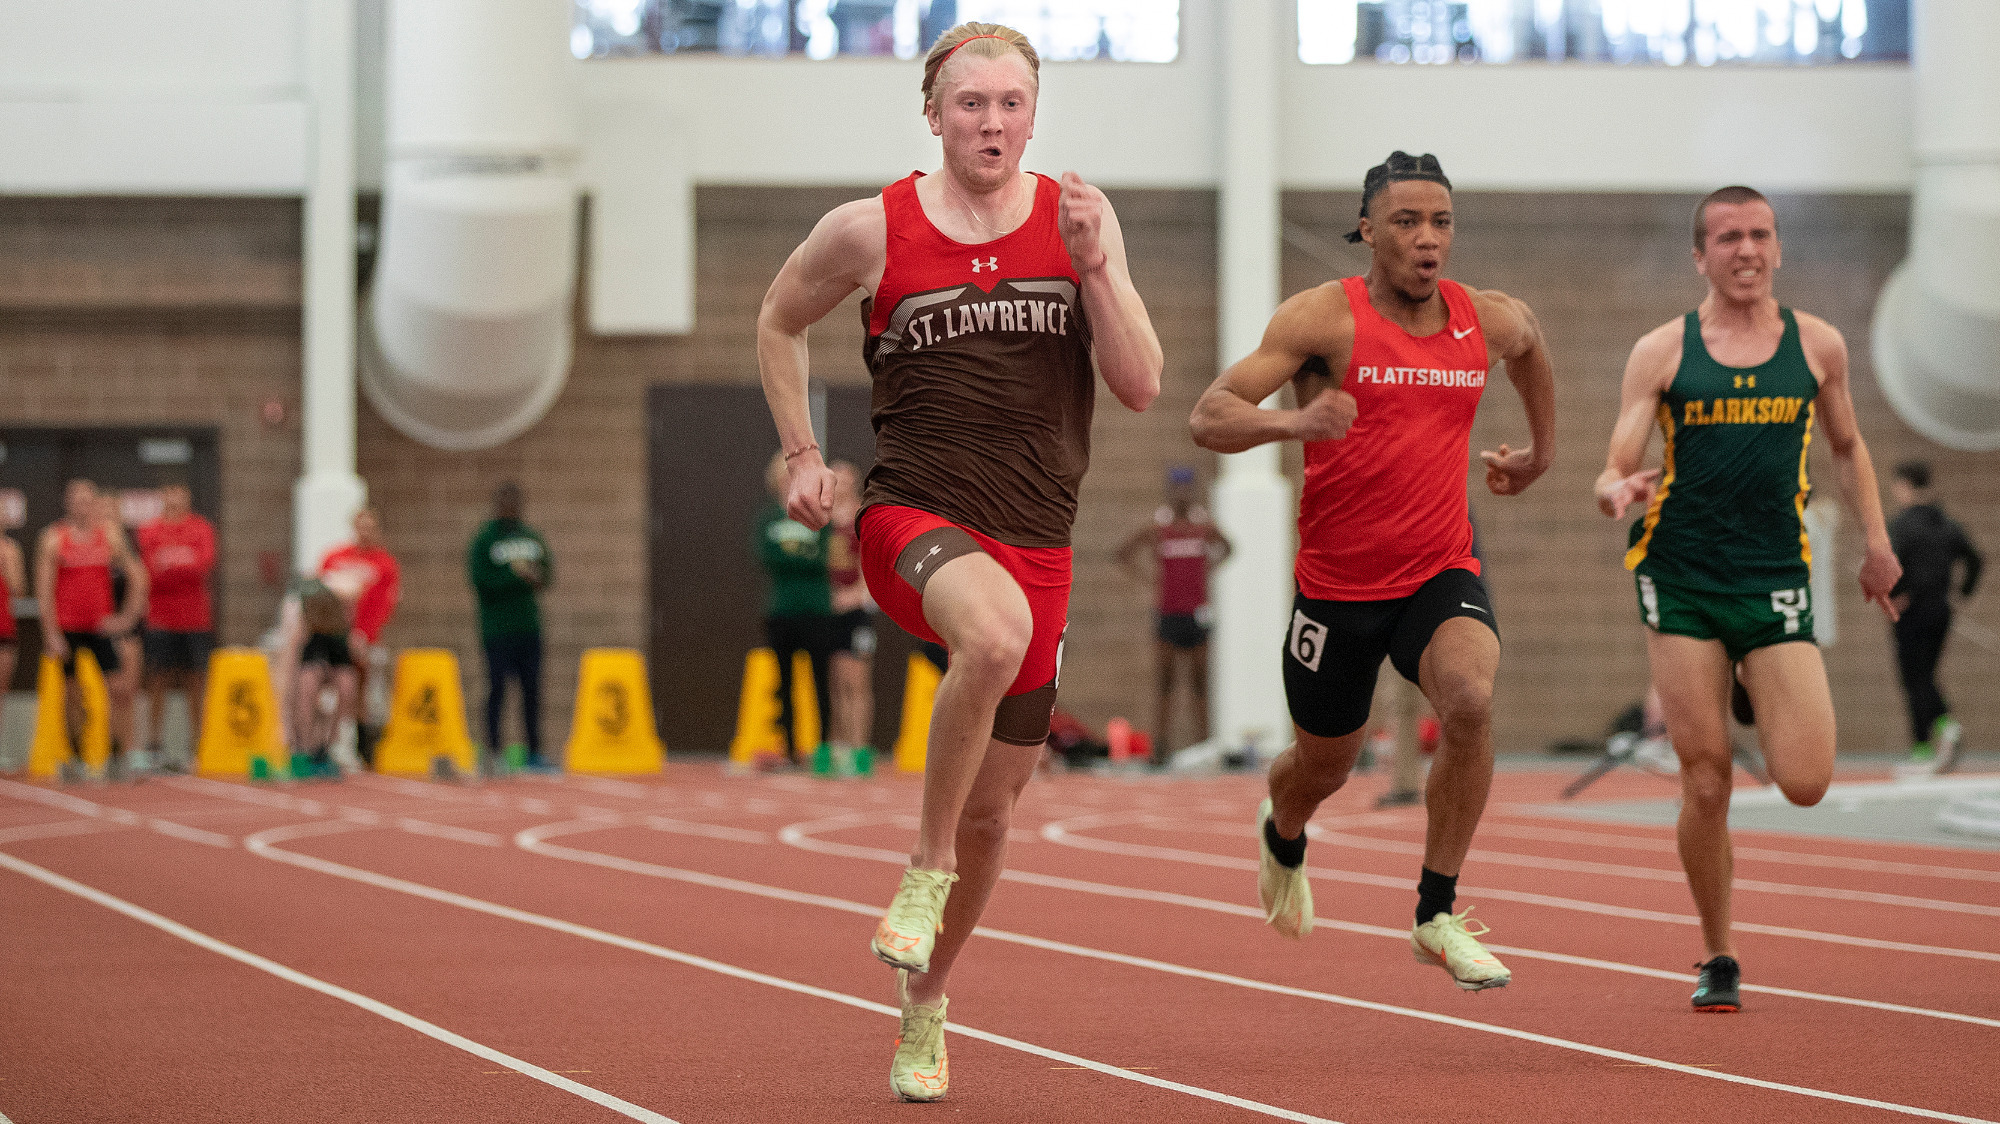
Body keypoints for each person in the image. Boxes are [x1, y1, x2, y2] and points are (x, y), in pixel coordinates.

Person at [756, 21, 1161, 1102]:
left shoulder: (1076, 218)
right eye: (970, 103)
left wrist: (1100, 268)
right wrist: (801, 449)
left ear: (1034, 114)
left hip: (1039, 538)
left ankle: (924, 1002)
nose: (991, 121)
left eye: (1010, 104)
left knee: (999, 809)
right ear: (932, 113)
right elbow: (776, 317)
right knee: (989, 633)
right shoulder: (870, 228)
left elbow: (1138, 384)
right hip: (911, 518)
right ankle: (921, 865)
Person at [1190, 150, 1555, 993]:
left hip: (1438, 568)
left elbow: (1531, 345)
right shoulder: (1324, 319)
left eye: (1441, 223)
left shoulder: (1483, 317)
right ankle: (1283, 832)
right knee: (1323, 765)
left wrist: (1540, 453)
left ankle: (1437, 910)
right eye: (1406, 223)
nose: (1428, 241)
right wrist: (1298, 424)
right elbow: (1210, 416)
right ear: (1367, 231)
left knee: (1469, 697)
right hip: (1337, 591)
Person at [1594, 185, 1901, 1013]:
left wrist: (1877, 546)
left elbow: (1847, 446)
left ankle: (1753, 680)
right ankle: (1718, 951)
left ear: (1777, 248)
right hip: (1682, 578)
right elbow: (1620, 450)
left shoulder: (1817, 345)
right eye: (1727, 237)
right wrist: (1614, 488)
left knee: (1805, 779)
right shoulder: (1662, 351)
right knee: (1706, 779)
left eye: (1760, 234)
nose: (1746, 250)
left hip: (1775, 581)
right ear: (1700, 255)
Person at [1116, 465, 1231, 766]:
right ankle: (1161, 748)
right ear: (1170, 492)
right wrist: (1151, 579)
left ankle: (1205, 745)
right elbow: (1124, 553)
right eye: (1176, 488)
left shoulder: (1203, 527)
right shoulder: (1158, 528)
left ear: (1192, 492)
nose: (1182, 494)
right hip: (1168, 614)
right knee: (1165, 682)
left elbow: (1229, 548)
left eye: (1186, 488)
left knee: (1199, 682)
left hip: (1197, 614)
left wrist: (1206, 571)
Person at [35, 479, 149, 782]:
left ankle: (116, 756)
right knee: (72, 694)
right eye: (76, 500)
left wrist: (126, 618)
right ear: (68, 503)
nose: (82, 506)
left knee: (117, 689)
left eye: (87, 500)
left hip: (101, 626)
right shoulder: (54, 539)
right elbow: (44, 590)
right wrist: (51, 632)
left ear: (94, 503)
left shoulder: (108, 535)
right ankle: (75, 759)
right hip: (68, 627)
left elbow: (138, 575)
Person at [1885, 460, 1982, 775]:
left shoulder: (1902, 525)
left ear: (1906, 485)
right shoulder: (1947, 523)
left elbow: (1889, 562)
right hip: (1941, 611)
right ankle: (1931, 739)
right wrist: (1961, 593)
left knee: (1915, 677)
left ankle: (1933, 737)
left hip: (1911, 611)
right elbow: (1975, 559)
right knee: (1925, 674)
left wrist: (1897, 593)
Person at [468, 481, 554, 772]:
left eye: (515, 500)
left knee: (532, 691)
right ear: (497, 504)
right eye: (505, 500)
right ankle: (493, 751)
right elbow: (481, 581)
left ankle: (534, 752)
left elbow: (548, 575)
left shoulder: (532, 537)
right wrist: (514, 577)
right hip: (496, 629)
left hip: (529, 628)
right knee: (497, 690)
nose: (510, 506)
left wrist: (534, 577)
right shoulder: (485, 540)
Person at [757, 450, 835, 769]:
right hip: (782, 612)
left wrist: (793, 555)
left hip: (817, 610)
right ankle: (789, 750)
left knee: (821, 684)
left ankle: (824, 750)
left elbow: (824, 557)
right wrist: (801, 555)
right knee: (784, 685)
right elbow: (767, 556)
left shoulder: (818, 516)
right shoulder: (767, 519)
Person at [136, 481, 217, 773]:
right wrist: (180, 563)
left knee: (196, 682)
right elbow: (150, 572)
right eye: (169, 496)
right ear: (162, 498)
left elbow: (203, 566)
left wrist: (169, 562)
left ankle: (197, 747)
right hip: (160, 619)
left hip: (195, 619)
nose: (175, 501)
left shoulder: (202, 528)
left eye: (180, 496)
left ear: (188, 498)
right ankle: (154, 747)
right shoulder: (149, 530)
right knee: (157, 679)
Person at [319, 507, 400, 761]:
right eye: (361, 526)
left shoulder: (385, 564)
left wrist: (364, 634)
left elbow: (384, 606)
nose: (365, 532)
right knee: (338, 689)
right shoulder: (335, 558)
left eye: (370, 527)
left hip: (368, 639)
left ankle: (364, 745)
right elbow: (321, 599)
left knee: (368, 692)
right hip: (336, 638)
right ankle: (329, 743)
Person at [828, 461, 879, 775]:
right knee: (834, 680)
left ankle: (861, 749)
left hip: (858, 610)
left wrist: (855, 595)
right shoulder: (823, 519)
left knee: (857, 681)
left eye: (845, 480)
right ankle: (839, 746)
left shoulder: (862, 517)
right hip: (828, 610)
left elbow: (870, 564)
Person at [289, 578, 357, 779]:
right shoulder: (304, 625)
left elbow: (348, 663)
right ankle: (305, 747)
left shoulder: (342, 629)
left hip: (335, 657)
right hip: (312, 660)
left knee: (347, 685)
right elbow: (292, 665)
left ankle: (328, 747)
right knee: (307, 685)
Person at [0, 529, 21, 735]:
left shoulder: (10, 550)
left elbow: (19, 588)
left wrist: (6, 566)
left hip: (4, 628)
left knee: (1, 692)